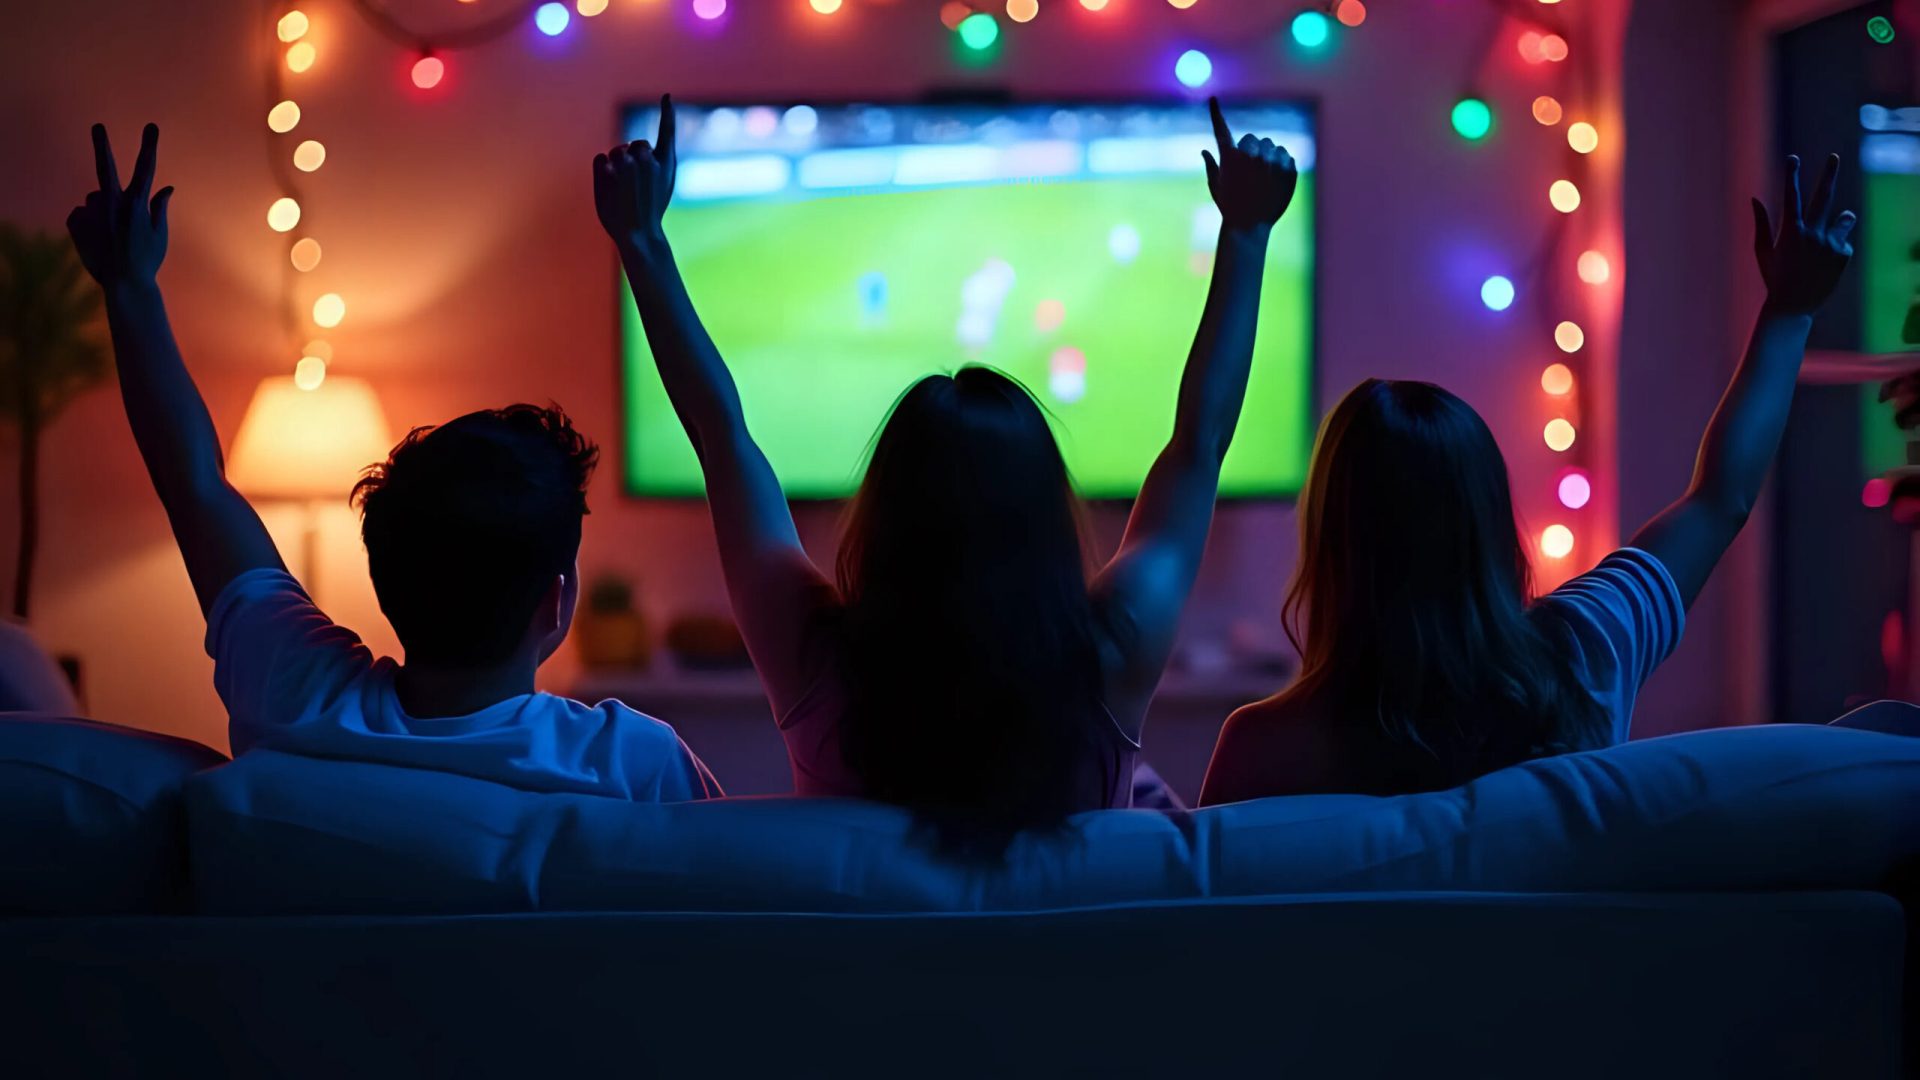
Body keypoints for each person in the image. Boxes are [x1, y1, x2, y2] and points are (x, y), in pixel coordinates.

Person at [597, 96, 1297, 851]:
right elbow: (1201, 442)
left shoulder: (811, 654)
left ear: (886, 512)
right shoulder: (1113, 654)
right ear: (1044, 512)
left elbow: (720, 437)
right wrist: (1247, 232)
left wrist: (641, 241)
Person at [67, 124, 718, 801]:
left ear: (383, 582)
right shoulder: (634, 766)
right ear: (554, 603)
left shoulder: (295, 697)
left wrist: (129, 287)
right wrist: (641, 238)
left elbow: (195, 485)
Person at [1199, 154, 1858, 804]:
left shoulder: (1264, 748)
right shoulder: (1586, 650)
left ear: (1330, 543)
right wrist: (1790, 312)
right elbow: (1721, 501)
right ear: (1489, 523)